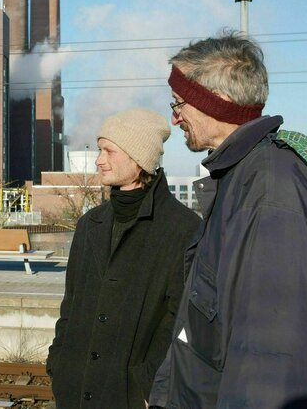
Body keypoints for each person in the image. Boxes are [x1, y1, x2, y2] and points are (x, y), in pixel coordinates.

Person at [149, 31, 307, 408]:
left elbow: (271, 357)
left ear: (217, 102)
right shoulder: (243, 175)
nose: (174, 119)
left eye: (179, 104)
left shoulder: (270, 186)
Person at [46, 108, 201, 408]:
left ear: (138, 157)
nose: (98, 160)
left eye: (109, 151)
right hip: (72, 391)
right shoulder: (89, 225)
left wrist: (151, 382)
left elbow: (183, 319)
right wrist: (58, 361)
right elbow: (71, 304)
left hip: (131, 396)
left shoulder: (183, 229)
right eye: (99, 149)